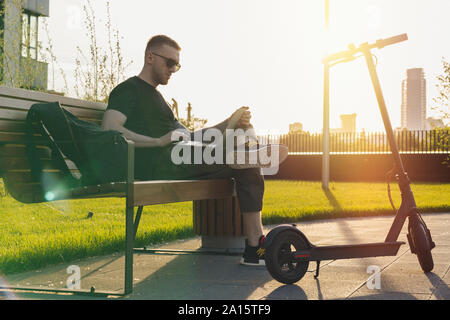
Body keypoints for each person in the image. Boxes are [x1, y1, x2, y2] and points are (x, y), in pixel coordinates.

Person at [102, 35, 286, 266]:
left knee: (243, 135)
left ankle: (254, 244)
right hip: (165, 160)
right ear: (150, 57)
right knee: (245, 160)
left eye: (176, 65)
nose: (173, 70)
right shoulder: (128, 90)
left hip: (184, 150)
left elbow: (187, 136)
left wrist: (228, 123)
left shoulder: (157, 96)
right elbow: (110, 129)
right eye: (169, 63)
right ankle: (255, 246)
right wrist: (158, 141)